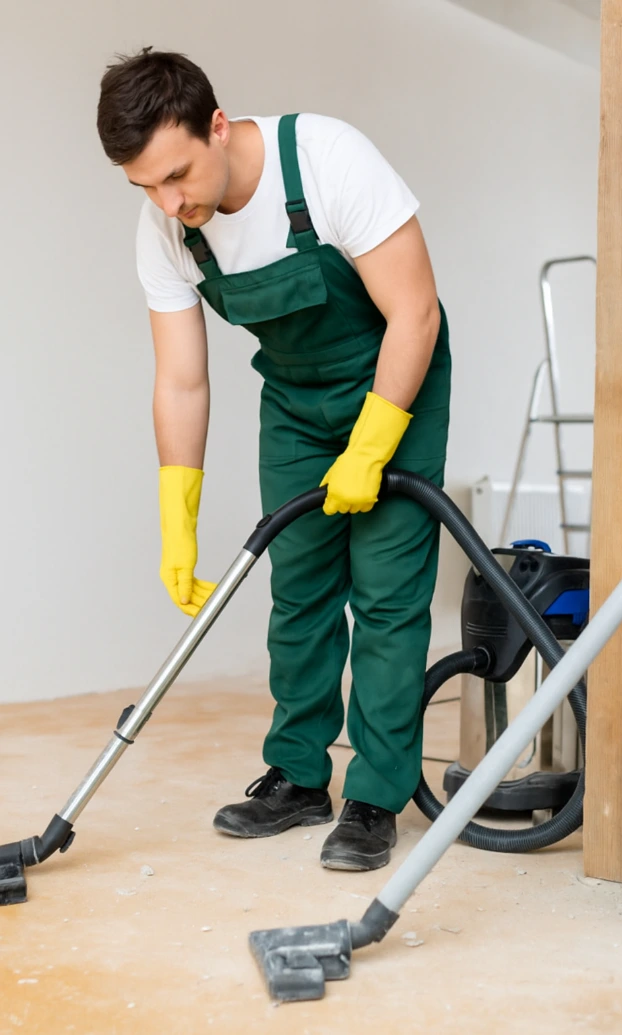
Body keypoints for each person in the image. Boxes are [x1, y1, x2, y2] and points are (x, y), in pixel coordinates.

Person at [97, 48, 451, 871]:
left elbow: (415, 311)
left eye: (178, 174)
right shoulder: (166, 226)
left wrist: (372, 446)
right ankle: (297, 777)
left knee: (389, 597)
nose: (169, 201)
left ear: (217, 126)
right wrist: (175, 517)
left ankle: (373, 795)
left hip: (395, 376)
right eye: (145, 186)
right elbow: (182, 380)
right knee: (298, 592)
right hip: (294, 397)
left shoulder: (326, 159)